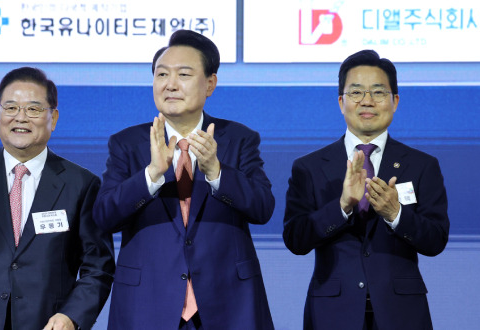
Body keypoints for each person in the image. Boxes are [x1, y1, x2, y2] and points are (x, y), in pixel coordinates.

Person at [93, 29, 275, 329]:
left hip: (227, 304)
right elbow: (104, 217)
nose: (170, 84)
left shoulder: (239, 139)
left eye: (184, 74)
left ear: (210, 84)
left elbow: (262, 208)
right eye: (162, 74)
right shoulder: (128, 143)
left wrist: (217, 172)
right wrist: (151, 175)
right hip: (148, 305)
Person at [0, 67, 115, 330]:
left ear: (53, 117)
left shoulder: (81, 184)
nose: (20, 118)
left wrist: (71, 316)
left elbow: (99, 266)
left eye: (33, 109)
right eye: (11, 108)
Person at [283, 49, 450, 330]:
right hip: (332, 313)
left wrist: (396, 213)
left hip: (402, 314)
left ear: (395, 101)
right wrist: (342, 207)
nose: (367, 101)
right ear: (341, 102)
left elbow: (435, 241)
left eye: (378, 92)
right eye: (357, 92)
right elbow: (295, 240)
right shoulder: (309, 167)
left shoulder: (422, 165)